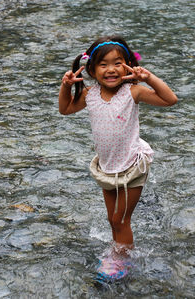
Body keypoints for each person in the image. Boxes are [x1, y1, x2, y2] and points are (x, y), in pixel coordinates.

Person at [59, 35, 177, 280]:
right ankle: (118, 250)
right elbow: (66, 109)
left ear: (128, 65)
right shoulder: (90, 95)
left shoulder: (132, 92)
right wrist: (66, 86)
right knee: (112, 218)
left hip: (131, 166)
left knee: (120, 218)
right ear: (91, 69)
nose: (111, 69)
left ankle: (122, 260)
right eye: (103, 64)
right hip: (108, 167)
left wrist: (149, 78)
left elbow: (170, 100)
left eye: (117, 62)